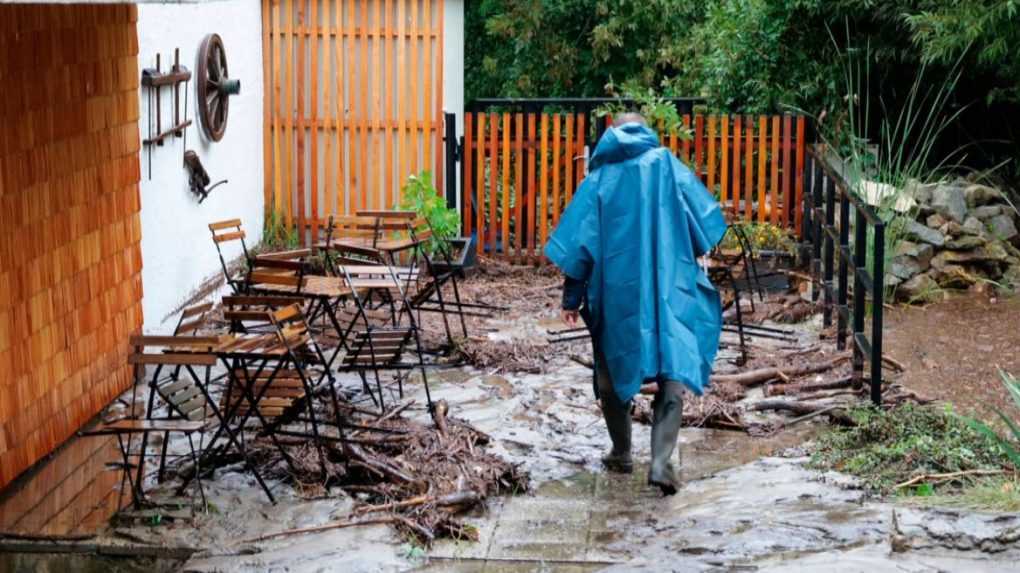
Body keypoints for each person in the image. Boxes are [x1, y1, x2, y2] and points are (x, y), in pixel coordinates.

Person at [545, 113, 726, 495]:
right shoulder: (668, 167)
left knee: (612, 377)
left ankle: (622, 451)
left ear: (612, 134)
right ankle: (660, 463)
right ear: (645, 131)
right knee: (672, 371)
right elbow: (704, 230)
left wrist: (571, 297)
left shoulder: (599, 180)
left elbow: (581, 244)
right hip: (669, 288)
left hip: (617, 293)